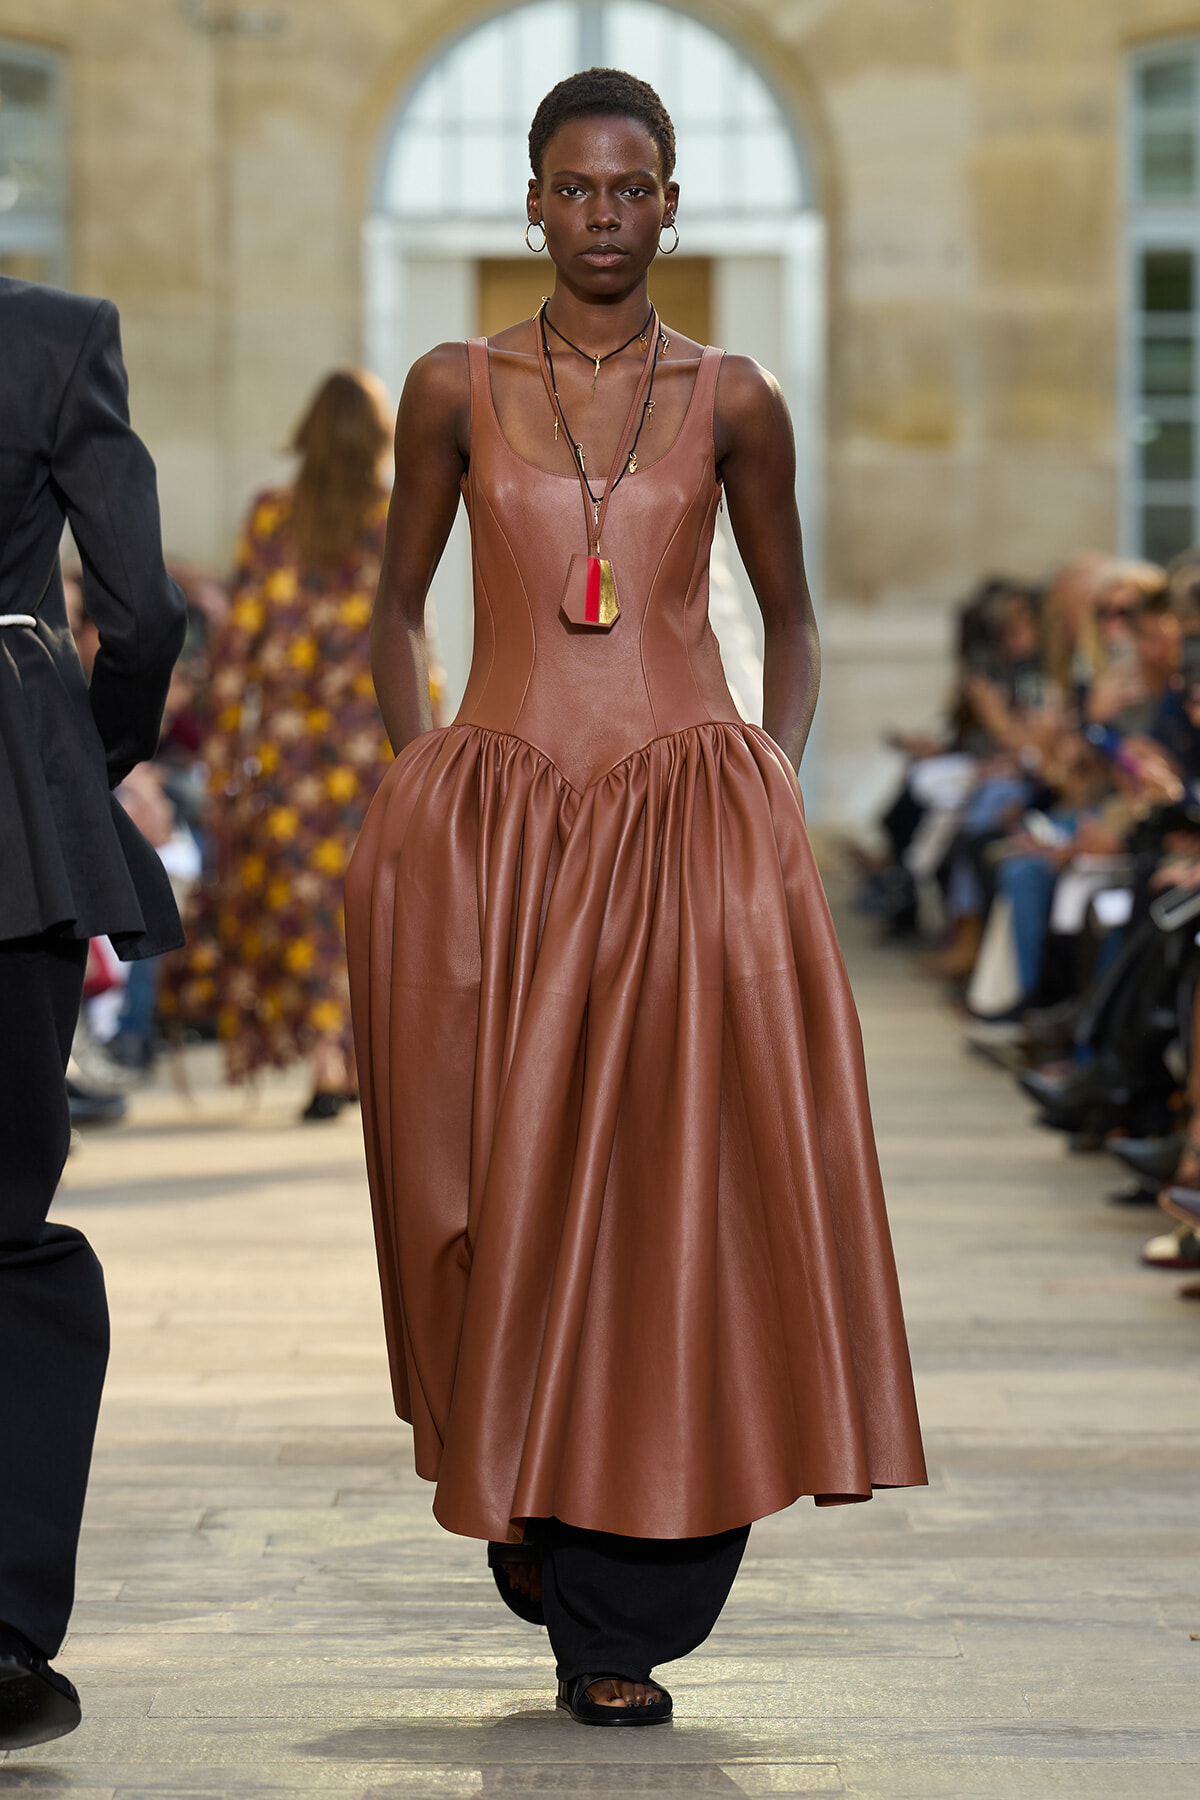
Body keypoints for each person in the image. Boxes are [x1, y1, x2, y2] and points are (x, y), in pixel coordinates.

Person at [345, 68, 926, 1726]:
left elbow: (791, 621)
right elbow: (395, 610)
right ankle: (518, 1485)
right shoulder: (452, 387)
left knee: (681, 1205)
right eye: (576, 189)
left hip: (684, 832)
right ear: (530, 203)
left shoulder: (737, 398)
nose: (605, 216)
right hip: (507, 834)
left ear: (673, 204)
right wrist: (421, 776)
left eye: (634, 189)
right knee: (489, 1189)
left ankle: (621, 1615)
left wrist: (770, 778)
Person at [0, 277, 186, 1747]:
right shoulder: (51, 337)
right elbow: (141, 604)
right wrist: (79, 752)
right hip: (7, 810)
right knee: (5, 1227)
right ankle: (1, 1631)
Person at [164, 371, 399, 1117]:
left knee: (307, 903)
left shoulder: (271, 516)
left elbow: (238, 644)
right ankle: (356, 1059)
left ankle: (330, 1057)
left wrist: (229, 748)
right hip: (371, 744)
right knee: (367, 901)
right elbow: (407, 635)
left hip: (294, 753)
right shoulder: (391, 516)